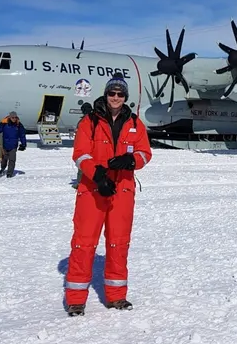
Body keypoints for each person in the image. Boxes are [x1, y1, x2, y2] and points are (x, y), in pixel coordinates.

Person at [64, 72, 153, 316]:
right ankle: (76, 300)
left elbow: (145, 153)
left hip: (122, 191)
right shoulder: (90, 121)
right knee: (84, 243)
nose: (116, 97)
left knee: (119, 242)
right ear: (106, 94)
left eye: (120, 94)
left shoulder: (135, 123)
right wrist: (98, 176)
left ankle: (116, 296)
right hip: (93, 190)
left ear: (125, 97)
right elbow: (80, 154)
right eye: (112, 93)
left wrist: (131, 160)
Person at [0, 111, 26, 177]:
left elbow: (22, 135)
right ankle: (2, 168)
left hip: (13, 146)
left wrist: (24, 144)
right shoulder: (4, 124)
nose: (14, 119)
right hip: (5, 145)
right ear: (10, 117)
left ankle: (9, 174)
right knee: (4, 159)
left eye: (15, 117)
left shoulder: (18, 125)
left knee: (12, 160)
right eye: (12, 117)